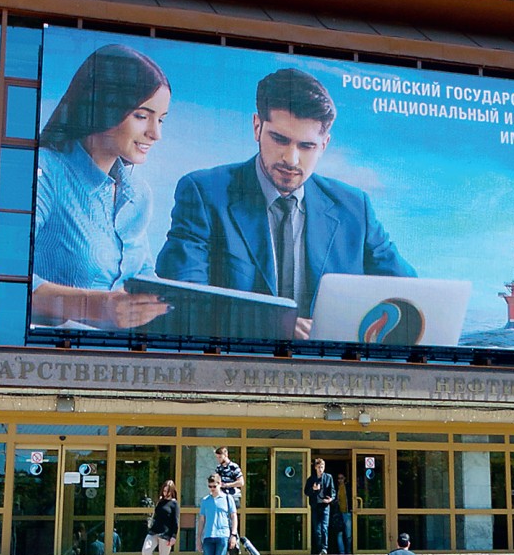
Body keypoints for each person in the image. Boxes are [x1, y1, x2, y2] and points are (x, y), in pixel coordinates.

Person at [156, 67, 414, 337]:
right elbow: (181, 303)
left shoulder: (355, 208)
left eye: (306, 146)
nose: (291, 159)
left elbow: (410, 298)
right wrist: (274, 326)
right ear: (257, 127)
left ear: (324, 145)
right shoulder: (203, 194)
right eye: (280, 140)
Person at [29, 43, 175, 330]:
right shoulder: (45, 172)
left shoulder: (138, 194)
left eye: (160, 120)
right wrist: (97, 306)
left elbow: (145, 276)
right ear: (102, 106)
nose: (155, 133)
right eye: (142, 116)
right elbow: (5, 277)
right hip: (52, 349)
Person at [197, 474, 237, 555]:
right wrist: (198, 538)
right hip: (208, 536)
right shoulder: (205, 500)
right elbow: (202, 520)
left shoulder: (227, 499)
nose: (212, 489)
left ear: (220, 484)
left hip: (222, 534)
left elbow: (233, 516)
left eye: (214, 486)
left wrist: (233, 534)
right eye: (210, 486)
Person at [144, 480, 180, 555]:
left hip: (166, 533)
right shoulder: (160, 501)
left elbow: (176, 521)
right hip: (154, 531)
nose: (165, 493)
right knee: (146, 551)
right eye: (164, 491)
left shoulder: (174, 504)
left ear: (172, 491)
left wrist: (173, 536)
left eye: (168, 491)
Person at [306, 456, 338, 555]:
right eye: (319, 467)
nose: (321, 469)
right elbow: (306, 492)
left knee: (324, 527)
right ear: (315, 467)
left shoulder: (328, 477)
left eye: (322, 467)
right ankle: (319, 548)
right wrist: (313, 489)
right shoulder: (311, 479)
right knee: (317, 529)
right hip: (315, 506)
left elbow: (333, 491)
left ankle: (324, 548)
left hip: (325, 506)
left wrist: (330, 499)